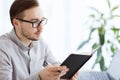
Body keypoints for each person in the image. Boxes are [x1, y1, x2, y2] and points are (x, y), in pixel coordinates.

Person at [0, 0, 78, 80]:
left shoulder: (40, 43)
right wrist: (39, 77)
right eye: (34, 22)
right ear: (16, 23)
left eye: (41, 21)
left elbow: (55, 65)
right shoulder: (2, 49)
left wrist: (65, 75)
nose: (41, 28)